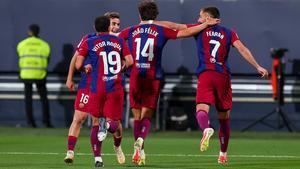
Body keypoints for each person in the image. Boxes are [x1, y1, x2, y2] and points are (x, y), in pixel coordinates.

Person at [118, 0, 220, 166]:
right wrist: (205, 25)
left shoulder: (131, 30)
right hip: (153, 76)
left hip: (136, 75)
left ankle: (139, 148)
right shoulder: (161, 30)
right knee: (148, 114)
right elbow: (185, 33)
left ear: (139, 15)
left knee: (136, 115)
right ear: (156, 15)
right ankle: (141, 141)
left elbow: (116, 40)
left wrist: (123, 60)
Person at [189, 7, 268, 164]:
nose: (198, 18)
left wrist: (151, 23)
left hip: (206, 73)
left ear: (207, 18)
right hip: (222, 76)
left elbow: (175, 27)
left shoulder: (197, 29)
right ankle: (223, 154)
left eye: (200, 16)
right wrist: (257, 66)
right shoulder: (229, 32)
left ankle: (206, 129)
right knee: (224, 117)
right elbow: (242, 49)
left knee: (201, 108)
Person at [63, 12, 126, 165]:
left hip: (110, 86)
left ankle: (117, 146)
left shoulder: (119, 41)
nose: (116, 27)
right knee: (80, 118)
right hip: (89, 85)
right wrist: (70, 78)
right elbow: (76, 59)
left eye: (118, 24)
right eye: (113, 24)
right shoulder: (89, 39)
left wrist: (116, 71)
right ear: (106, 24)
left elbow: (126, 61)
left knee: (114, 123)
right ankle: (72, 152)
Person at [75, 15, 133, 167]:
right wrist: (120, 69)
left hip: (97, 87)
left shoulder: (89, 42)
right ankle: (102, 153)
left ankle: (101, 155)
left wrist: (84, 68)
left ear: (95, 28)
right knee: (114, 123)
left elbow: (78, 64)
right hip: (115, 87)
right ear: (109, 27)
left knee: (97, 122)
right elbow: (130, 61)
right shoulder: (119, 41)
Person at [17, 24, 52, 128]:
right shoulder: (44, 45)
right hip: (40, 75)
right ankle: (46, 122)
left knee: (28, 99)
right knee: (44, 99)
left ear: (29, 32)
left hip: (26, 75)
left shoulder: (22, 44)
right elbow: (47, 59)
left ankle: (30, 122)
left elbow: (20, 56)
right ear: (38, 32)